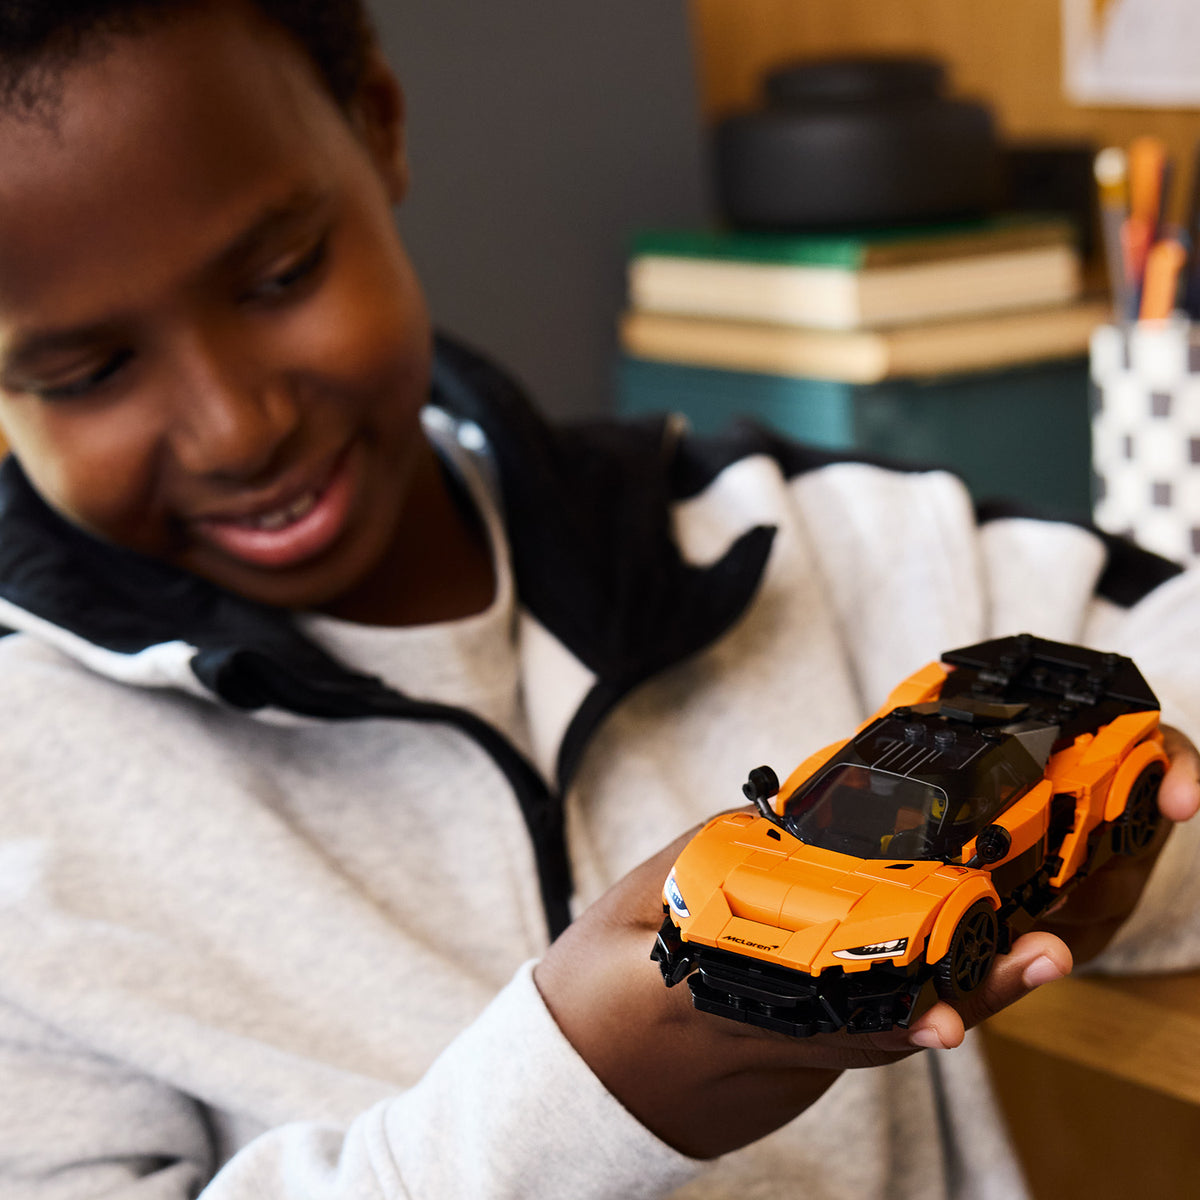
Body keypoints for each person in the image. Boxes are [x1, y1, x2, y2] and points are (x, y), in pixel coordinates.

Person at [0, 2, 1196, 1197]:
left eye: (280, 276)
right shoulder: (25, 800)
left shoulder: (801, 535)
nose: (236, 426)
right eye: (87, 371)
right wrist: (567, 1106)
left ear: (376, 124)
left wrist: (1135, 859)